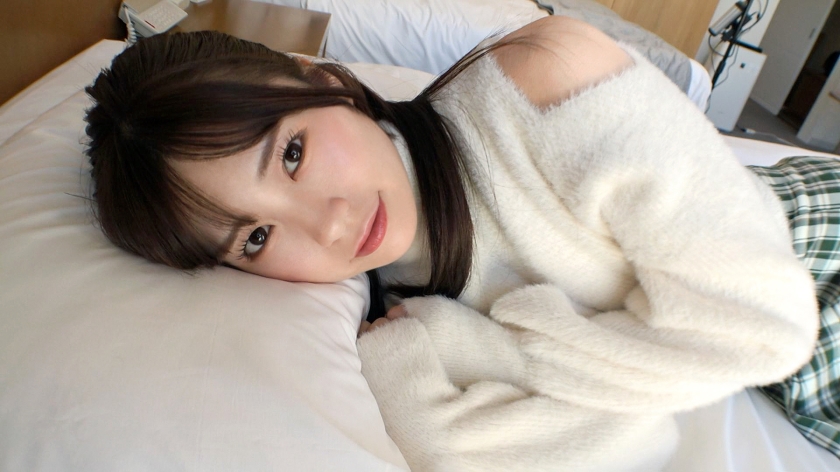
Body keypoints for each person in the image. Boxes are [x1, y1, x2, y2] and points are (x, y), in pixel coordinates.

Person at [84, 18, 828, 470]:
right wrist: (412, 375)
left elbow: (765, 326)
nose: (330, 226)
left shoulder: (543, 79)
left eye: (292, 154)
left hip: (814, 247)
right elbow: (618, 445)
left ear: (320, 79)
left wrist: (496, 349)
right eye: (254, 236)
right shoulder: (391, 323)